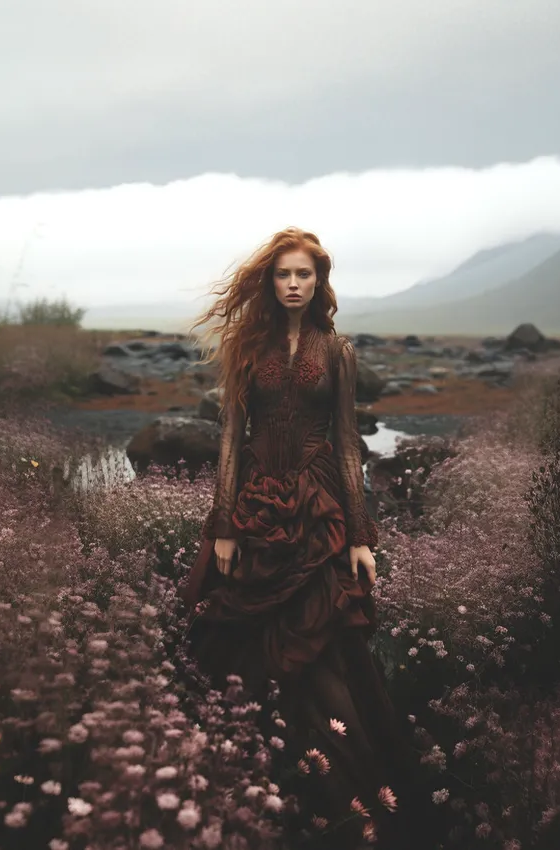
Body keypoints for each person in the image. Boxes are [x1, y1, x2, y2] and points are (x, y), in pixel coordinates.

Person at [182, 227, 431, 848]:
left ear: (319, 283)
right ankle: (255, 783)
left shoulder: (337, 351)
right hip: (258, 504)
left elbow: (349, 443)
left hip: (319, 507)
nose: (294, 284)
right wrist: (223, 527)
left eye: (305, 276)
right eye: (284, 275)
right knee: (246, 646)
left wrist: (359, 536)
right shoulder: (247, 345)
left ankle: (338, 799)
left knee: (322, 653)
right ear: (270, 282)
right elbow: (230, 438)